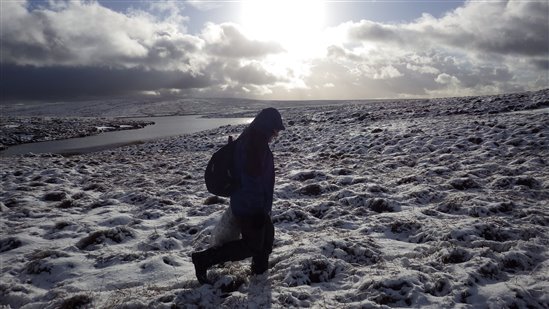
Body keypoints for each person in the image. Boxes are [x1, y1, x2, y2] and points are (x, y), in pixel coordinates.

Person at [192, 107, 285, 284]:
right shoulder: (254, 145)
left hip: (255, 204)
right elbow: (251, 182)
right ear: (268, 126)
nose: (276, 134)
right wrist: (257, 210)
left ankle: (259, 273)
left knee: (266, 239)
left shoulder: (255, 139)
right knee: (252, 245)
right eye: (275, 129)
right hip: (250, 205)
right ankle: (203, 259)